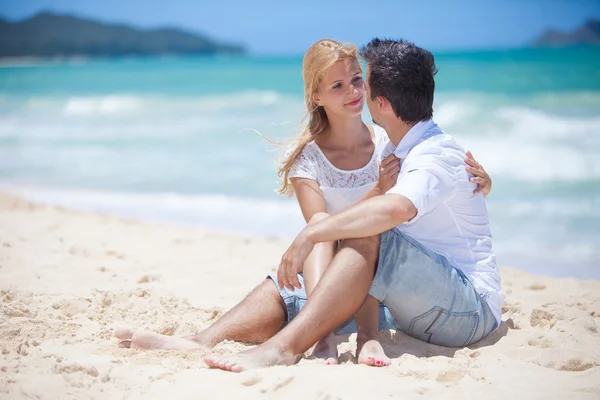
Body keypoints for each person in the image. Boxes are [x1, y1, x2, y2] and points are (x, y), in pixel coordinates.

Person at [115, 39, 495, 369]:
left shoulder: (398, 146)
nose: (354, 92)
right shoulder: (393, 146)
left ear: (379, 100)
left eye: (359, 80)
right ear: (317, 96)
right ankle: (201, 339)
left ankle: (296, 345)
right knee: (290, 293)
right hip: (390, 289)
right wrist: (319, 230)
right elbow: (429, 186)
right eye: (339, 84)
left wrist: (478, 180)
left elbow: (407, 199)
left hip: (444, 299)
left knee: (367, 231)